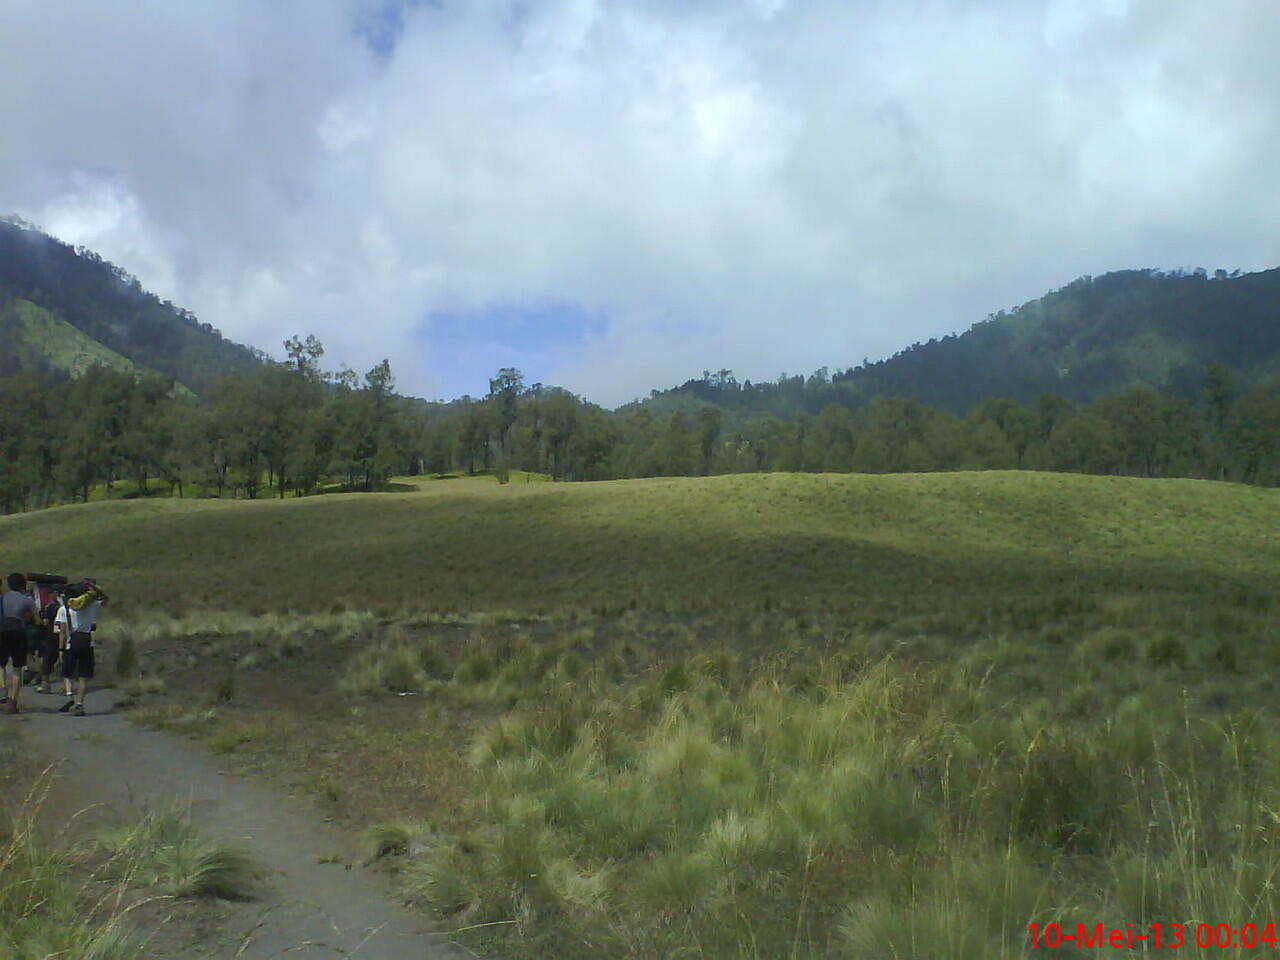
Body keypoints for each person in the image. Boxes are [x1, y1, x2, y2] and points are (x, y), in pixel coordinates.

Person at [54, 579, 109, 717]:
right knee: (83, 676)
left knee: (67, 674)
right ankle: (80, 704)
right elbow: (106, 599)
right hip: (87, 643)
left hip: (70, 644)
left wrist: (60, 650)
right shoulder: (92, 606)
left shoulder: (63, 609)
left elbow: (62, 632)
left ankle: (69, 695)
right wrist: (94, 588)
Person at [0, 573, 36, 714]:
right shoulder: (27, 599)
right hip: (19, 632)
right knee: (17, 668)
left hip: (2, 630)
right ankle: (12, 701)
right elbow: (36, 618)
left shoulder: (3, 597)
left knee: (1, 664)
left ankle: (3, 689)